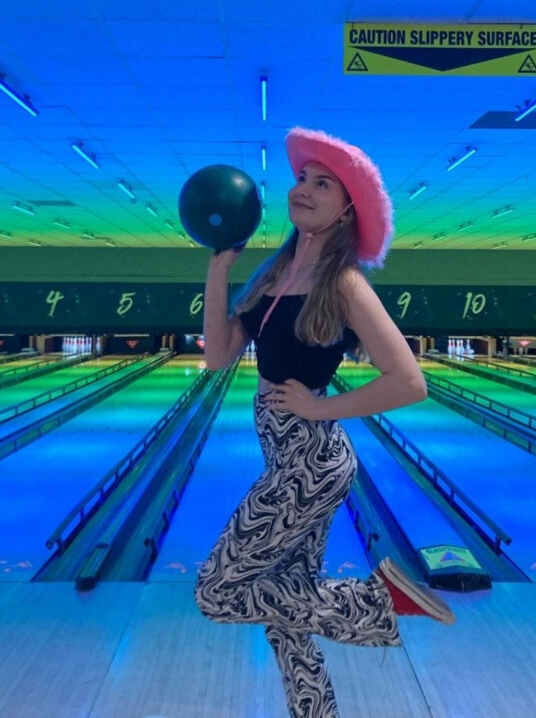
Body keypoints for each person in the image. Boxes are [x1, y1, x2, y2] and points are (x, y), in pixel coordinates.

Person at [194, 127, 455, 718]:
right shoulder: (274, 271)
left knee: (217, 591)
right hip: (291, 456)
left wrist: (320, 406)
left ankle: (378, 603)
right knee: (286, 616)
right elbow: (217, 356)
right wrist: (219, 268)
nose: (302, 189)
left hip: (309, 463)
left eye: (322, 184)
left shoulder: (343, 283)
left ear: (347, 210)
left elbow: (410, 382)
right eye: (301, 179)